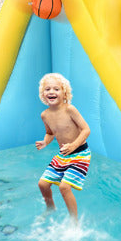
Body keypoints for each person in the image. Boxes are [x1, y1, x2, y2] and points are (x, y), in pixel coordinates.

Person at [36, 72, 92, 219]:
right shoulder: (45, 115)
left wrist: (73, 145)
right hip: (64, 155)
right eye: (47, 89)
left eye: (56, 89)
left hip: (80, 153)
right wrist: (45, 142)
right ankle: (50, 208)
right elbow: (50, 133)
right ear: (43, 94)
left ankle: (74, 221)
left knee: (64, 187)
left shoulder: (69, 109)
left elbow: (86, 129)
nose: (51, 92)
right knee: (42, 184)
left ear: (64, 93)